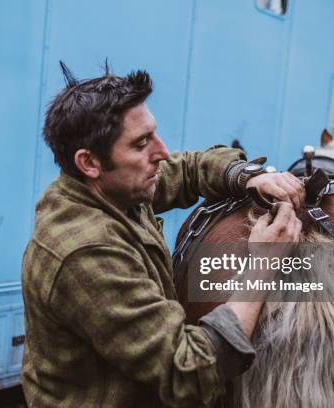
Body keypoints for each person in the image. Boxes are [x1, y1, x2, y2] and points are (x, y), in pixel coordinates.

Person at [21, 63, 304, 407]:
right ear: (89, 162)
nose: (162, 151)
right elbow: (189, 371)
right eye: (141, 143)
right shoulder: (86, 251)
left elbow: (186, 168)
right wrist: (263, 264)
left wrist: (246, 176)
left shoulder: (112, 188)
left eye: (154, 133)